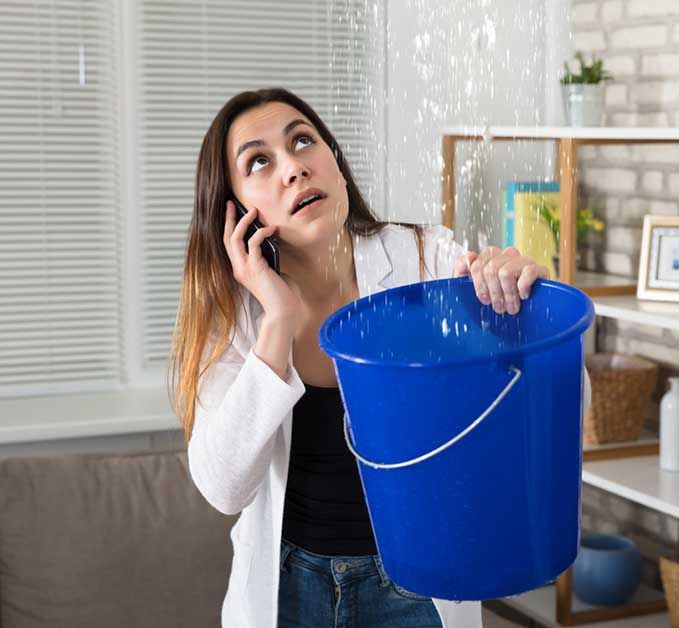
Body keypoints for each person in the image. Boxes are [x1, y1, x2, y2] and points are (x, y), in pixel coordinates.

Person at [168, 88, 587, 628]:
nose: (293, 167)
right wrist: (277, 322)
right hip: (290, 589)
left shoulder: (430, 262)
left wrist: (524, 309)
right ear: (236, 216)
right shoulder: (234, 316)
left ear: (337, 167)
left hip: (417, 586)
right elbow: (225, 489)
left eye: (302, 141)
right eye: (260, 161)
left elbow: (564, 407)